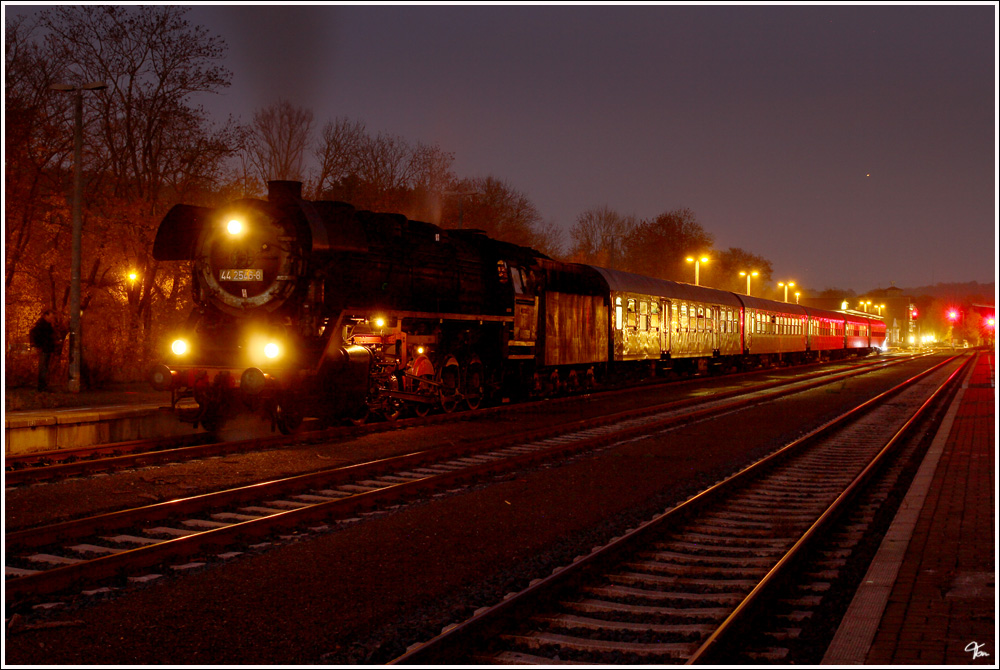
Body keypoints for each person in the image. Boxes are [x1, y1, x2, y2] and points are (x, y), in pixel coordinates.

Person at [29, 309, 58, 392]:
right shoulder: (41, 324)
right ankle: (42, 387)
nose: (52, 319)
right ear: (46, 316)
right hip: (44, 348)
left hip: (46, 348)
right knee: (43, 367)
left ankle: (43, 386)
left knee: (45, 367)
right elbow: (33, 333)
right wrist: (34, 345)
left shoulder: (47, 325)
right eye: (51, 317)